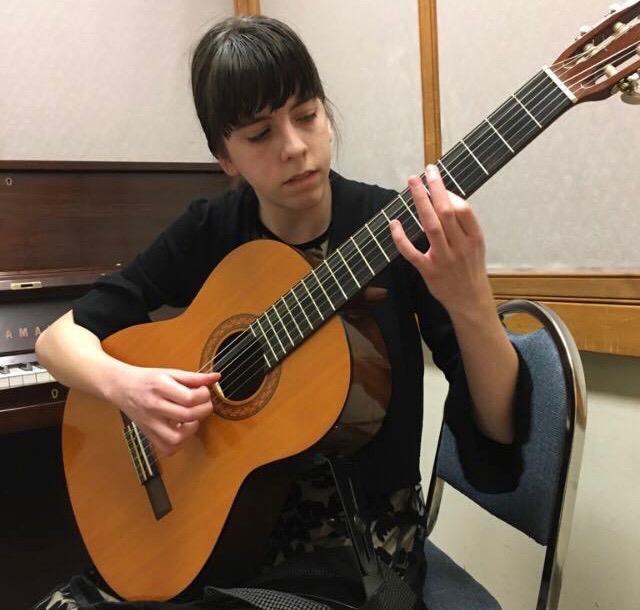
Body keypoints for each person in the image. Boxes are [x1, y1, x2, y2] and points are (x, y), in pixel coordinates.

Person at [31, 14, 530, 610]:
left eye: (307, 115)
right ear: (225, 157)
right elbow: (58, 340)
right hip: (217, 536)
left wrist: (472, 303)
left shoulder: (393, 232)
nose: (295, 147)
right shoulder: (212, 228)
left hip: (360, 553)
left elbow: (498, 436)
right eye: (260, 134)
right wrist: (127, 385)